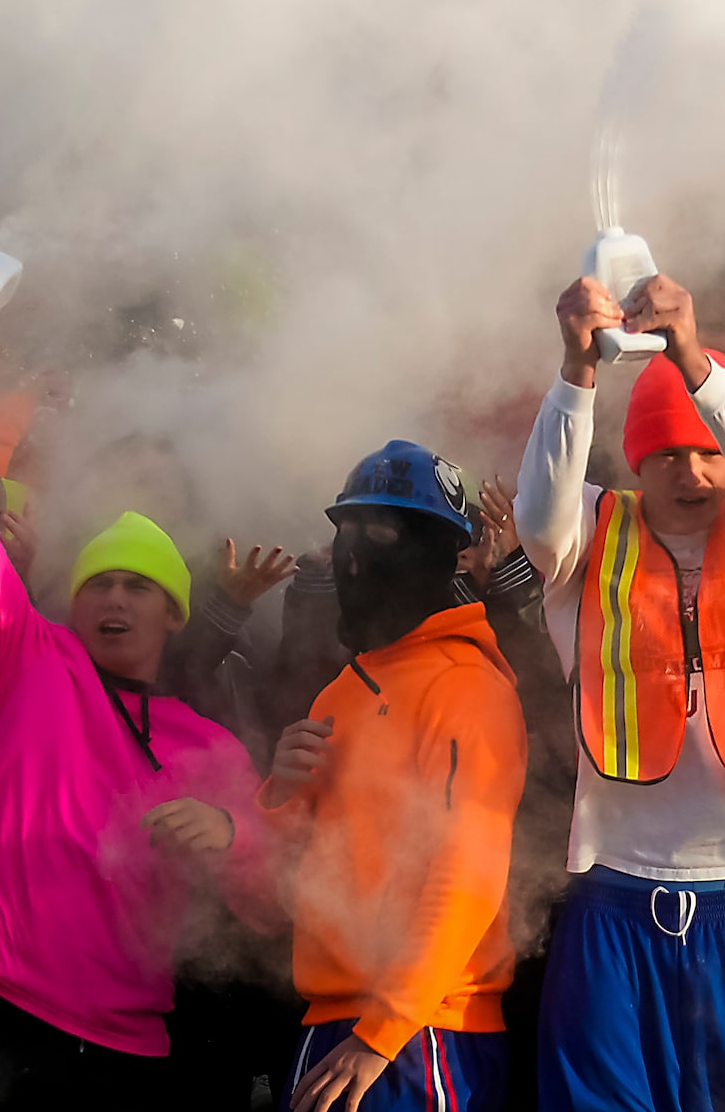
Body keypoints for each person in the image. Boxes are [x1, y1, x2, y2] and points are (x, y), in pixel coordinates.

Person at [0, 315, 265, 1106]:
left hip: (118, 1042)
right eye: (99, 583)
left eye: (140, 587)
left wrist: (233, 834)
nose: (114, 598)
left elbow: (271, 895)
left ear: (174, 614)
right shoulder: (27, 657)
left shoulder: (209, 749)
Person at [513, 270, 725, 1112]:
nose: (691, 473)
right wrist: (576, 370)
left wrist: (694, 360)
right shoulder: (583, 547)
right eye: (667, 454)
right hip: (613, 899)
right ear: (634, 460)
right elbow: (540, 511)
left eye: (708, 452)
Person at [265, 441, 527, 1112]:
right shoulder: (340, 691)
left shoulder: (467, 685)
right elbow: (291, 878)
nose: (355, 554)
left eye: (382, 533)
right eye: (346, 529)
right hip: (332, 1023)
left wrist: (382, 1033)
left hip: (422, 1034)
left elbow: (467, 871)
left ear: (443, 553)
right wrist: (279, 795)